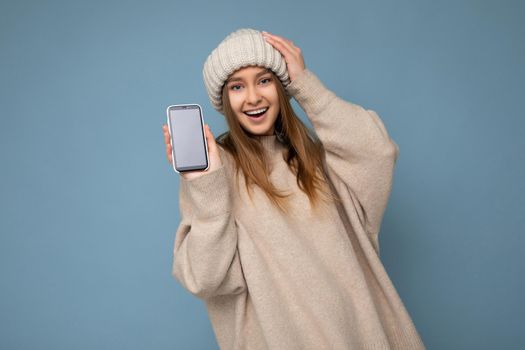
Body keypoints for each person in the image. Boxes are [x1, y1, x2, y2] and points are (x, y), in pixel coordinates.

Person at [162, 28, 425, 350]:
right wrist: (205, 187)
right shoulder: (216, 175)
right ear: (225, 100)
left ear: (281, 85)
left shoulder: (321, 162)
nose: (253, 97)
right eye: (236, 86)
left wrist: (306, 85)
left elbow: (376, 152)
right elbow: (204, 279)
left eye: (264, 80)